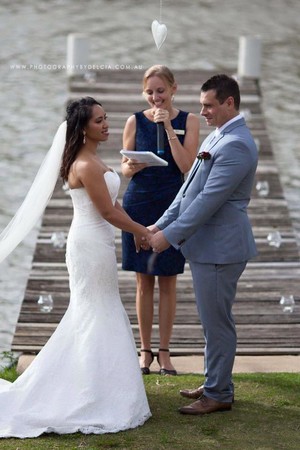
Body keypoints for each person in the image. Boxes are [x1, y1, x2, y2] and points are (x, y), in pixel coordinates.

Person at [0, 97, 151, 438]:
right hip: (89, 245)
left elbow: (113, 205)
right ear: (83, 128)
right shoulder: (85, 165)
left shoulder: (91, 159)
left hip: (96, 242)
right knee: (96, 310)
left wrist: (140, 228)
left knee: (97, 310)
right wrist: (142, 232)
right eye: (98, 120)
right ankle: (92, 392)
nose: (106, 124)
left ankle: (96, 384)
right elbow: (108, 214)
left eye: (106, 118)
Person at [149, 74, 258, 414]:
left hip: (220, 248)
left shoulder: (237, 143)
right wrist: (159, 223)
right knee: (212, 321)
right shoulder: (220, 134)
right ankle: (216, 382)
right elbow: (188, 192)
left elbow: (208, 201)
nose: (203, 112)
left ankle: (218, 395)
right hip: (208, 247)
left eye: (209, 105)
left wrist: (168, 237)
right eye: (201, 105)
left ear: (230, 103)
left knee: (217, 323)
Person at [121, 65, 200, 375]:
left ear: (173, 89)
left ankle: (165, 352)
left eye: (161, 91)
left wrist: (168, 128)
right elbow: (124, 168)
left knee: (168, 280)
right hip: (139, 203)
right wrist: (133, 167)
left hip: (172, 204)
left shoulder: (188, 120)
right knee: (143, 281)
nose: (155, 97)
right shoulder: (134, 120)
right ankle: (145, 351)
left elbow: (185, 165)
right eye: (150, 92)